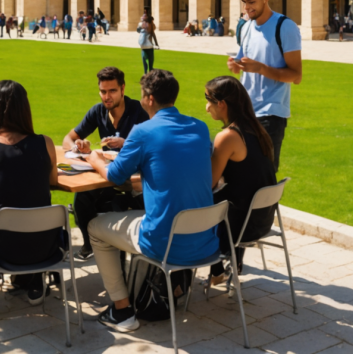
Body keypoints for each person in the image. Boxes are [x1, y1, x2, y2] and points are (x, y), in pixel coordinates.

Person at [85, 69, 218, 332]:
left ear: (148, 98)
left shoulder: (142, 132)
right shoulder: (200, 128)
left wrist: (95, 159)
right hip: (206, 242)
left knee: (94, 227)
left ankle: (122, 311)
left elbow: (115, 175)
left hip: (165, 244)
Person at [0, 80, 62, 316]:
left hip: (2, 248)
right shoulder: (46, 143)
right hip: (45, 246)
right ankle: (33, 280)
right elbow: (51, 180)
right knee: (28, 216)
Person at [64, 67, 150, 261]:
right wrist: (78, 146)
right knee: (81, 198)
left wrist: (125, 143)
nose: (107, 96)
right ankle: (89, 244)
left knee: (114, 204)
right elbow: (68, 138)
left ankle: (119, 248)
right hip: (107, 174)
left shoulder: (139, 111)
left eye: (112, 91)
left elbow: (152, 147)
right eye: (103, 91)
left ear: (123, 89)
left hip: (135, 178)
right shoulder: (98, 111)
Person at [203, 75, 277, 286]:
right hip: (263, 219)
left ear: (222, 104)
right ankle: (225, 267)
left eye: (208, 100)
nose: (207, 108)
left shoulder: (228, 136)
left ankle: (209, 270)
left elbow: (209, 183)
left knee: (193, 206)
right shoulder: (257, 129)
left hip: (241, 225)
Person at [229, 0, 302, 172]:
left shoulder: (285, 27)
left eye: (251, 1)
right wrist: (235, 65)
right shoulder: (246, 27)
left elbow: (296, 76)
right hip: (245, 111)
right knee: (241, 174)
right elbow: (243, 62)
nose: (246, 8)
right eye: (243, 2)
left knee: (264, 175)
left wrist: (261, 68)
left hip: (271, 114)